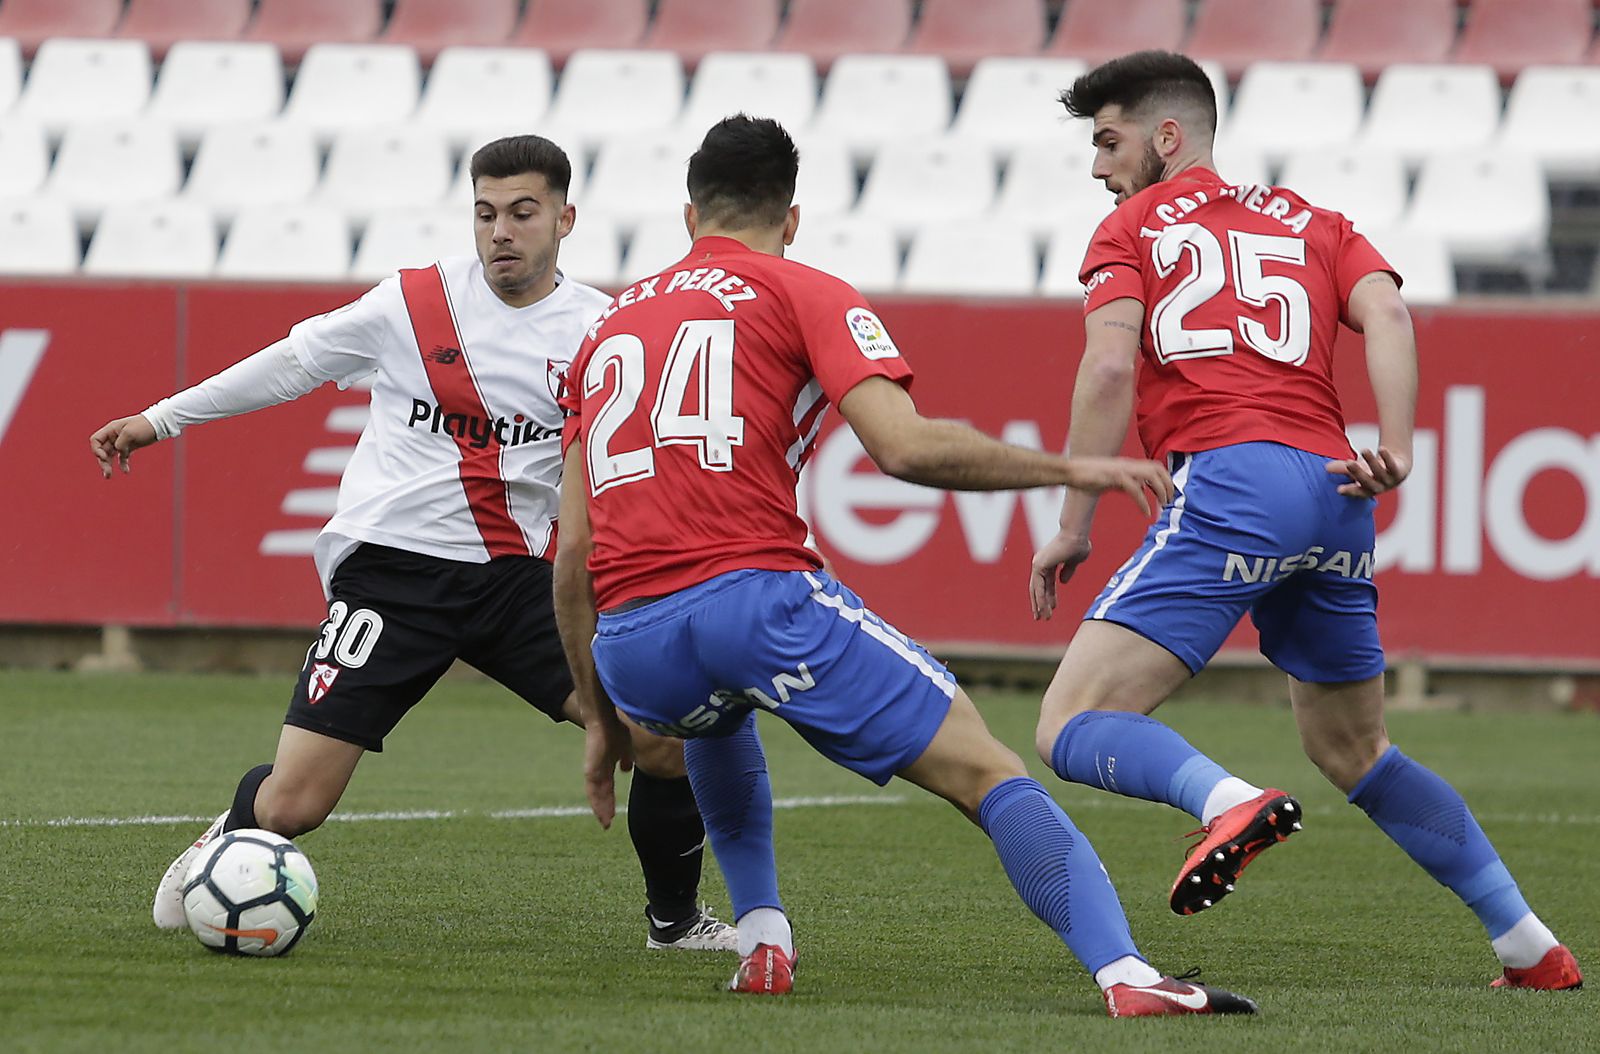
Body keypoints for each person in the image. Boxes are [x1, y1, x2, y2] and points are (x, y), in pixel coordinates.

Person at [553, 113, 1258, 1018]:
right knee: (988, 771)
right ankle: (1128, 975)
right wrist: (1074, 467)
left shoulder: (605, 329)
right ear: (792, 219)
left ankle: (763, 934)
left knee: (718, 718)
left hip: (632, 640)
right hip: (753, 598)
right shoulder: (802, 289)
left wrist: (599, 718)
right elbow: (907, 450)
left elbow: (571, 550)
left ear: (689, 217)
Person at [87, 135, 736, 953]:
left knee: (660, 736)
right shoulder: (413, 303)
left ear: (565, 219)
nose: (501, 231)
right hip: (393, 577)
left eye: (523, 213)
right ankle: (230, 832)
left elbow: (633, 466)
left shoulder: (603, 331)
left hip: (517, 584)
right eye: (486, 213)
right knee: (294, 808)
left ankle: (674, 925)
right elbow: (293, 363)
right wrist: (160, 419)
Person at [1026, 51, 1581, 992]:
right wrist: (1395, 451)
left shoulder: (1129, 229)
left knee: (1071, 720)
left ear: (1169, 137)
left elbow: (1110, 369)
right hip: (1336, 490)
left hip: (1234, 481)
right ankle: (1529, 946)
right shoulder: (1316, 223)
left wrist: (1073, 518)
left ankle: (1228, 801)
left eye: (1108, 141)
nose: (1098, 167)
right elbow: (1392, 317)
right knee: (1354, 749)